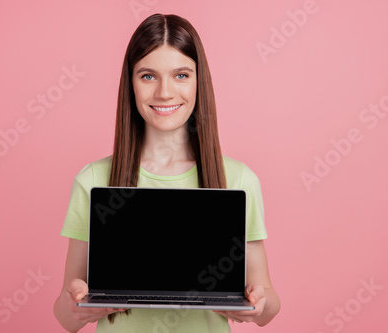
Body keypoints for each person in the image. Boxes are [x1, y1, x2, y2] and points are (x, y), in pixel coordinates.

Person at [53, 13, 280, 332]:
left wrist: (259, 303)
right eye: (148, 76)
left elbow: (269, 306)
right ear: (130, 83)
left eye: (181, 75)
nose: (164, 93)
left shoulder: (239, 180)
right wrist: (74, 305)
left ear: (199, 81)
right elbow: (65, 317)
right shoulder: (92, 180)